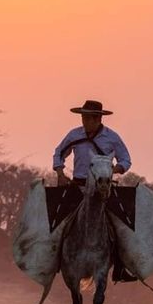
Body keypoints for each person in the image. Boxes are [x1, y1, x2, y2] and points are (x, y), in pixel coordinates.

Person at [52, 100, 135, 282]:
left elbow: (126, 160)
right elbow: (58, 152)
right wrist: (59, 171)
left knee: (121, 224)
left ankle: (120, 267)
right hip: (77, 186)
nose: (84, 121)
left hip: (103, 188)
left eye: (88, 118)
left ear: (97, 119)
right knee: (57, 221)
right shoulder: (74, 135)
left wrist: (111, 170)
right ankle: (52, 261)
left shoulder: (111, 137)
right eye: (83, 117)